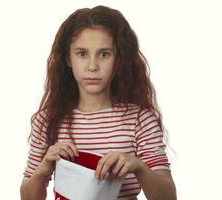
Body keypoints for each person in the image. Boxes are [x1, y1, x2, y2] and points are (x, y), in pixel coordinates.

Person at [20, 5, 176, 200]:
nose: (92, 66)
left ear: (118, 58)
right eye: (82, 53)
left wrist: (138, 166)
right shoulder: (47, 120)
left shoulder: (140, 120)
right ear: (68, 58)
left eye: (104, 54)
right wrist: (43, 169)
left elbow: (169, 197)